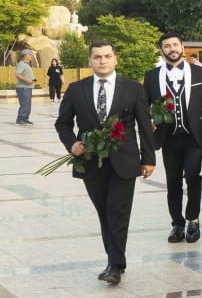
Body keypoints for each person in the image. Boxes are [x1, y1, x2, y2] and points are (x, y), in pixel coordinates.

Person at [55, 41, 156, 284]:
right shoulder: (76, 89)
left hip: (125, 162)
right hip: (90, 161)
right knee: (104, 212)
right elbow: (63, 123)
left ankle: (115, 266)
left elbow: (144, 125)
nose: (102, 60)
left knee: (118, 212)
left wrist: (149, 159)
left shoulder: (133, 89)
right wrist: (72, 144)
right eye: (97, 57)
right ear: (90, 61)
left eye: (107, 56)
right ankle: (113, 259)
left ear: (115, 59)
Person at [143, 32, 202, 244]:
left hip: (195, 137)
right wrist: (151, 121)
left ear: (182, 47)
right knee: (172, 182)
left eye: (175, 44)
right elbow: (145, 107)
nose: (172, 48)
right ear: (162, 50)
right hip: (169, 138)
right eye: (167, 46)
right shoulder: (152, 76)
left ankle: (193, 219)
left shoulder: (200, 73)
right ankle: (177, 223)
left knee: (193, 177)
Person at [14, 48, 36, 125]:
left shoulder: (26, 65)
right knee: (24, 104)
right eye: (30, 55)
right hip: (23, 87)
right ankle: (19, 119)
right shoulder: (21, 64)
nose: (31, 57)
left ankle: (25, 118)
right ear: (26, 55)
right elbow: (17, 74)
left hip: (27, 87)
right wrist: (28, 80)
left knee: (28, 104)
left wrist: (32, 80)